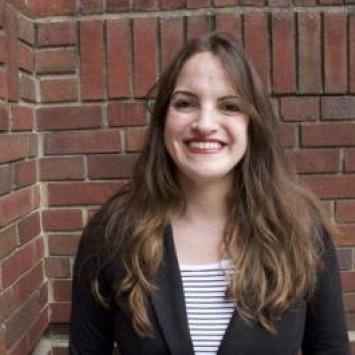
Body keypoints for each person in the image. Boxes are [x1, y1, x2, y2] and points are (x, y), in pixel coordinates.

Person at [68, 32, 350, 355]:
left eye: (229, 106)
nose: (204, 123)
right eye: (185, 103)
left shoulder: (301, 231)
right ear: (163, 119)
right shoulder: (112, 233)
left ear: (252, 124)